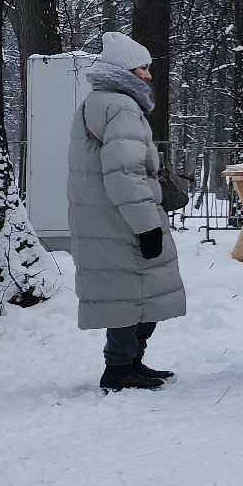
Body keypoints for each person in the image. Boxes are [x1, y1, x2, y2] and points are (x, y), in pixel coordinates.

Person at [69, 31, 186, 391]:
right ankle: (120, 369)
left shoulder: (101, 102)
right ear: (123, 71)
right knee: (129, 294)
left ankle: (129, 362)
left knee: (135, 293)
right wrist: (147, 226)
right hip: (123, 220)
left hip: (107, 217)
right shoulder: (120, 106)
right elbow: (124, 172)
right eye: (143, 68)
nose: (149, 76)